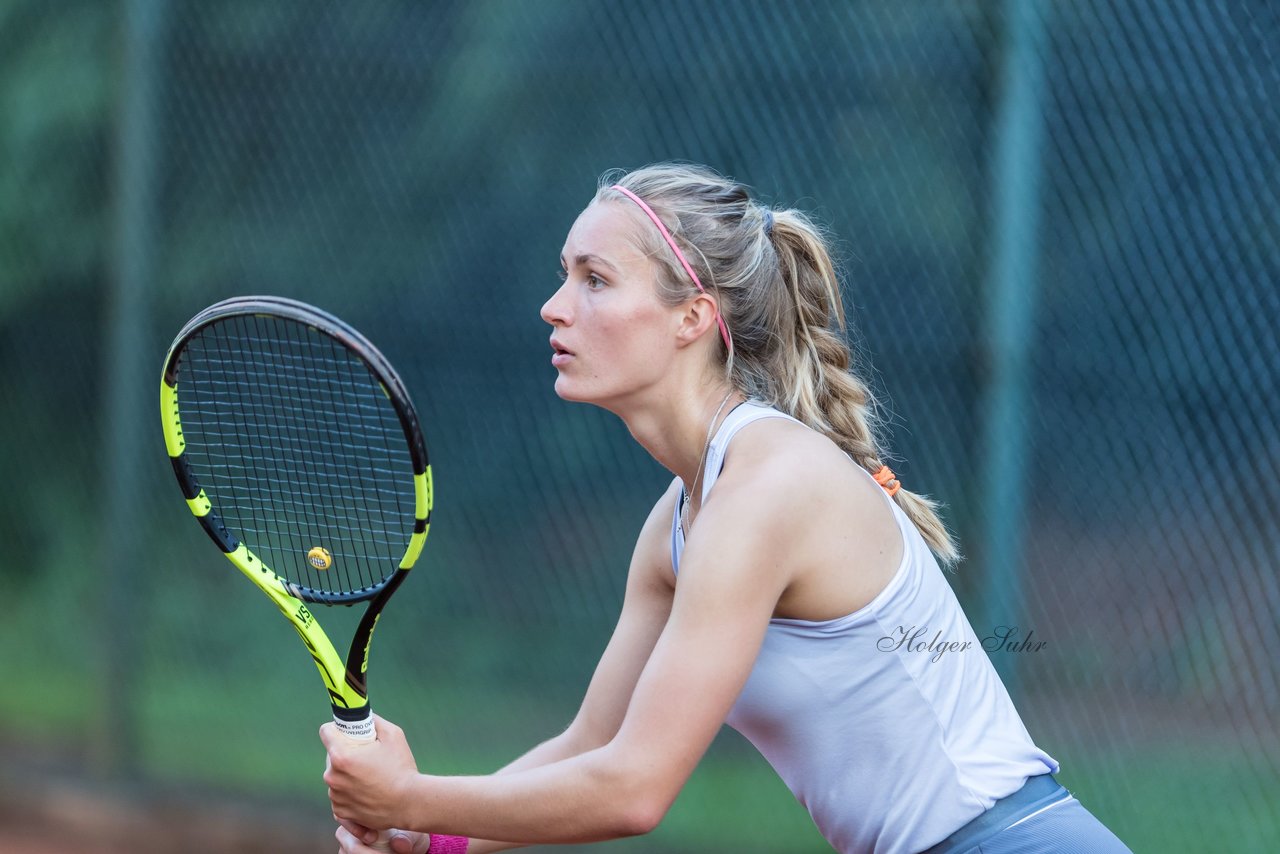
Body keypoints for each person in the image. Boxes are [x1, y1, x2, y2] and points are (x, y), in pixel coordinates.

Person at [321, 163, 1131, 853]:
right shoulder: (679, 520)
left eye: (594, 280)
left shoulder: (765, 489)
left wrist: (410, 800)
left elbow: (634, 790)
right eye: (566, 275)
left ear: (692, 318)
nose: (555, 306)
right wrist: (434, 835)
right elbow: (592, 745)